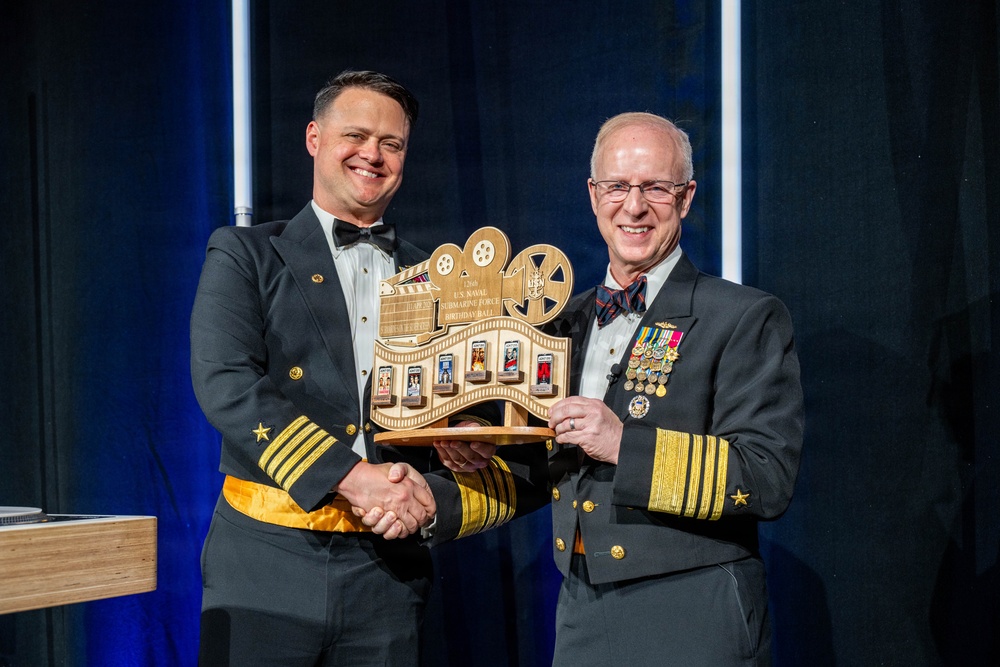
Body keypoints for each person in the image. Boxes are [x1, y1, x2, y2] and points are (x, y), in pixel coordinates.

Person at [191, 70, 547, 667]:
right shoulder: (245, 254)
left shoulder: (444, 278)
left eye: (392, 144)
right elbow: (226, 383)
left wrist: (464, 431)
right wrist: (352, 477)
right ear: (313, 137)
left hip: (389, 571)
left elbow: (460, 400)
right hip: (264, 563)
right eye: (355, 135)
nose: (372, 155)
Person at [437, 112, 803, 665]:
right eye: (617, 187)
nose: (633, 206)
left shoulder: (742, 316)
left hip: (693, 605)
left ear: (686, 198)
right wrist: (474, 450)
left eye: (656, 187)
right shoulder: (560, 324)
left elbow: (766, 477)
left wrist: (623, 443)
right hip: (581, 606)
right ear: (593, 195)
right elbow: (545, 467)